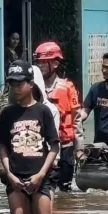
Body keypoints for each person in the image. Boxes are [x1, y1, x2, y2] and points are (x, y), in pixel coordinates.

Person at [0, 59, 59, 214]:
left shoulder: (43, 111)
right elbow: (3, 147)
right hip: (15, 178)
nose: (15, 88)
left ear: (31, 84)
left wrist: (41, 175)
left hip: (40, 177)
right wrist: (9, 174)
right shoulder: (7, 114)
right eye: (12, 84)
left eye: (19, 83)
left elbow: (54, 146)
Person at [0, 66, 59, 163]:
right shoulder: (10, 113)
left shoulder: (48, 111)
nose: (17, 89)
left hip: (43, 168)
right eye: (14, 85)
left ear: (32, 85)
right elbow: (1, 143)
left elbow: (53, 145)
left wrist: (47, 168)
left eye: (20, 85)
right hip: (17, 170)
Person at [36, 41, 83, 191]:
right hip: (42, 146)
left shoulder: (67, 87)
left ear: (55, 63)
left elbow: (76, 121)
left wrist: (79, 149)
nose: (41, 66)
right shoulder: (34, 88)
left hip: (65, 146)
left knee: (65, 189)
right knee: (44, 188)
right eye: (39, 63)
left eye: (44, 62)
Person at [80, 50, 108, 147]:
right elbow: (85, 111)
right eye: (103, 66)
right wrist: (75, 120)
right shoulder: (96, 88)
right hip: (99, 145)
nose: (103, 70)